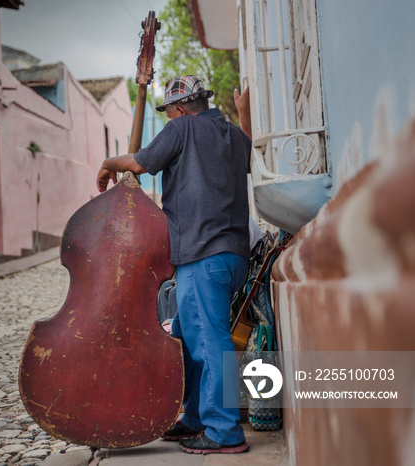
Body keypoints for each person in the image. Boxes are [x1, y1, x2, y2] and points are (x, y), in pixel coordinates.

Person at [96, 75, 252, 454]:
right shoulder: (231, 134)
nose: (169, 119)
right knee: (186, 332)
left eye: (169, 113)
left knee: (210, 340)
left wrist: (106, 162)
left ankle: (224, 431)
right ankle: (195, 418)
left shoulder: (181, 128)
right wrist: (245, 117)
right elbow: (248, 153)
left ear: (179, 110)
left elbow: (139, 163)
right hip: (233, 257)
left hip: (202, 255)